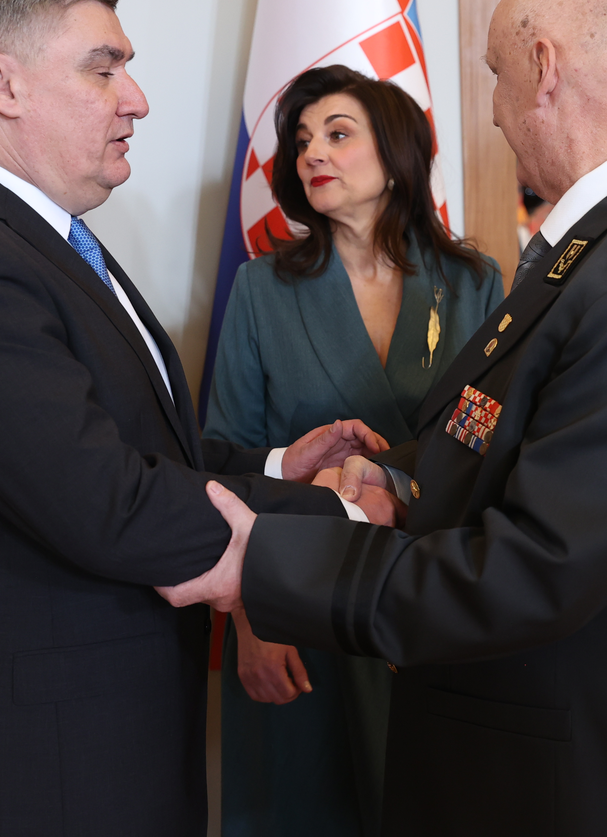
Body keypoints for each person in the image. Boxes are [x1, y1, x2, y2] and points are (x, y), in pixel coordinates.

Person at [161, 0, 607, 835]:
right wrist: (399, 480)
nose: (491, 109)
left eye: (496, 73)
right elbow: (512, 435)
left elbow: (539, 567)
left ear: (544, 66)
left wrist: (265, 565)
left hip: (597, 779)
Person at [0, 0, 398, 837]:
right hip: (26, 774)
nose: (134, 98)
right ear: (0, 82)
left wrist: (275, 469)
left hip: (92, 748)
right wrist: (344, 516)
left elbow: (120, 443)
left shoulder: (32, 236)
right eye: (103, 70)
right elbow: (105, 500)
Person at [206, 65, 503, 836]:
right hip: (300, 601)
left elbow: (495, 449)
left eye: (338, 134)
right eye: (303, 140)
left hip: (436, 596)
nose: (313, 153)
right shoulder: (261, 289)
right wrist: (252, 621)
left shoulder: (475, 283)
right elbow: (225, 463)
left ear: (398, 154)